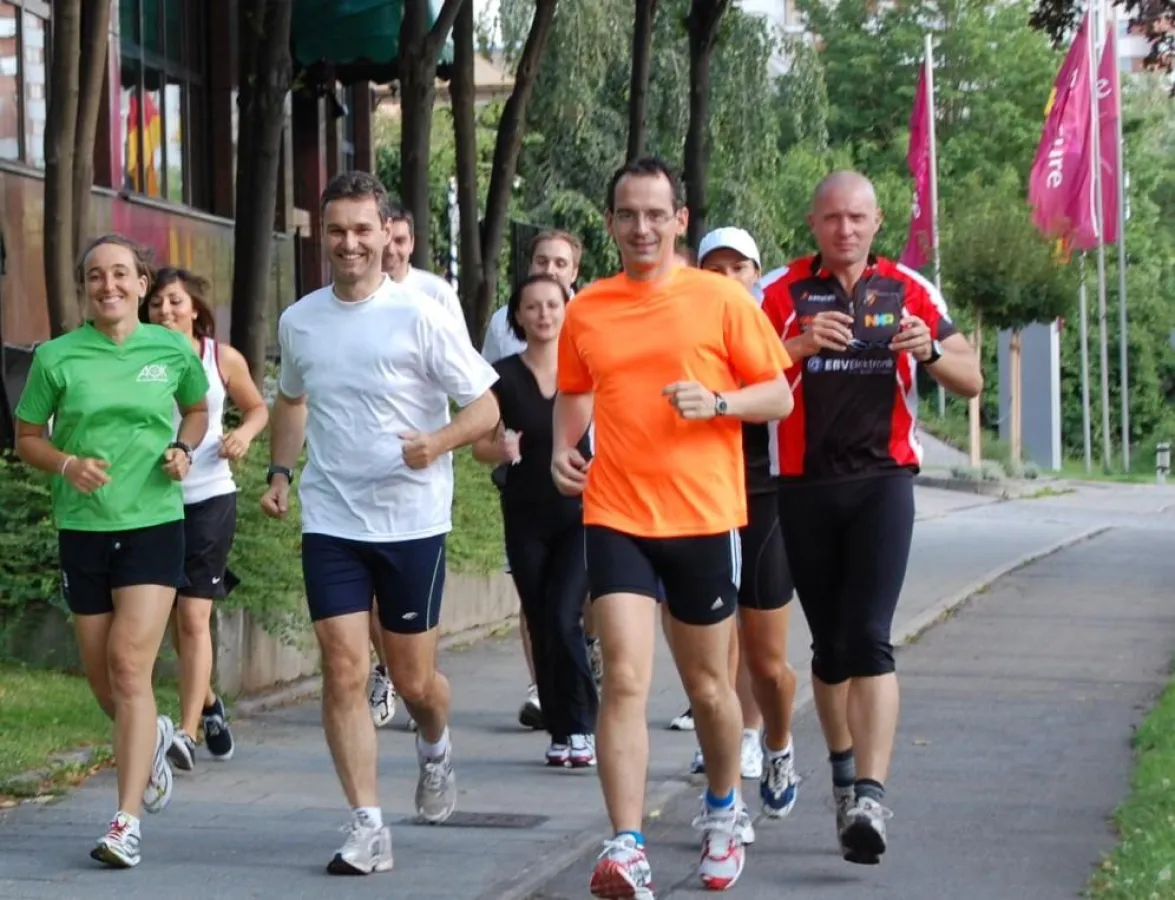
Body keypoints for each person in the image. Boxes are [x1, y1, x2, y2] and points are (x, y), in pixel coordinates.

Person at [553, 157, 794, 897]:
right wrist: (562, 449)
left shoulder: (720, 299)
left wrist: (719, 404)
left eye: (655, 214)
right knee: (625, 678)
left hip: (701, 515)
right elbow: (573, 391)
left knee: (709, 688)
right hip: (616, 512)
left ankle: (723, 808)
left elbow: (778, 395)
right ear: (609, 223)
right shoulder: (588, 307)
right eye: (627, 215)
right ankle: (626, 844)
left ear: (679, 220)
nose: (641, 228)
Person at [260, 171, 500, 875]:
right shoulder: (300, 321)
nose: (349, 243)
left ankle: (435, 743)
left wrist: (437, 442)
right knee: (342, 668)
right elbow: (291, 399)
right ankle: (367, 824)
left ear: (385, 233)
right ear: (322, 235)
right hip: (331, 518)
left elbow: (486, 407)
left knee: (414, 680)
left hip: (411, 521)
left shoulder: (420, 313)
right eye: (336, 230)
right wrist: (280, 473)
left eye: (362, 229)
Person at [758, 170, 983, 865]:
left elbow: (971, 378)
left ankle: (871, 797)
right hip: (802, 485)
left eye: (857, 218)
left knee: (870, 639)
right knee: (830, 650)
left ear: (877, 222)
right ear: (813, 223)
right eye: (832, 218)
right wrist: (797, 347)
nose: (845, 229)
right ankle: (842, 773)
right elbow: (736, 377)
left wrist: (929, 350)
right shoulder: (777, 291)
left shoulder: (908, 289)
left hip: (882, 481)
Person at [14, 234, 210, 868]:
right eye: (96, 275)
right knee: (104, 681)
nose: (109, 285)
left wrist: (184, 448)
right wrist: (66, 464)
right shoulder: (56, 357)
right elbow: (26, 437)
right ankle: (151, 737)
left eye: (121, 274)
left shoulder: (171, 348)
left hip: (153, 522)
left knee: (129, 667)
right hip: (83, 528)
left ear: (142, 284)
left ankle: (126, 822)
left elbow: (197, 409)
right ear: (84, 287)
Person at [686, 227, 800, 821]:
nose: (728, 279)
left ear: (757, 274)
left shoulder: (770, 325)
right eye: (716, 268)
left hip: (763, 495)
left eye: (739, 268)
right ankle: (732, 756)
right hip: (699, 498)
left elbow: (779, 397)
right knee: (711, 648)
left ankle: (776, 741)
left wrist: (722, 402)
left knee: (766, 660)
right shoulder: (684, 324)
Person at [143, 268, 269, 769]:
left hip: (210, 497)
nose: (165, 311)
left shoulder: (221, 357)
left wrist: (243, 436)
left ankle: (187, 733)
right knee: (175, 618)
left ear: (195, 309)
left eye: (175, 301)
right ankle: (211, 703)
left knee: (194, 615)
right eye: (156, 303)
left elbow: (258, 409)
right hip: (154, 502)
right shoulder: (139, 357)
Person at [472, 274, 596, 768]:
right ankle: (560, 732)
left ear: (568, 311)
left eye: (552, 305)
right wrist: (499, 449)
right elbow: (479, 445)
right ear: (518, 317)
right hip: (525, 516)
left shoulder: (588, 370)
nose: (544, 314)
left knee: (565, 616)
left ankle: (583, 726)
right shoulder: (501, 376)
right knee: (542, 621)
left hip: (581, 514)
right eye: (533, 307)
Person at [366, 202, 471, 730]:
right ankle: (386, 668)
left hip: (417, 476)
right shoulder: (342, 301)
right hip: (353, 486)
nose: (393, 251)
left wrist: (439, 440)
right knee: (364, 597)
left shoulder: (433, 296)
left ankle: (416, 676)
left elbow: (467, 375)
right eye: (388, 241)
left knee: (409, 606)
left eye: (402, 241)